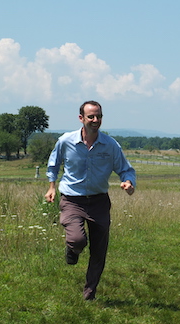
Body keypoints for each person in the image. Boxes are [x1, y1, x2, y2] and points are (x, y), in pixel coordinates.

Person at [44, 100, 136, 301]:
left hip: (99, 201)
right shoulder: (66, 141)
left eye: (99, 116)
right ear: (81, 118)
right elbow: (53, 164)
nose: (96, 120)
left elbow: (125, 169)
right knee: (77, 239)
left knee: (99, 251)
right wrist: (51, 187)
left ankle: (89, 294)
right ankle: (73, 249)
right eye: (91, 116)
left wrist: (128, 182)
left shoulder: (110, 145)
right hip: (72, 200)